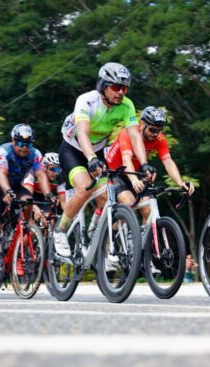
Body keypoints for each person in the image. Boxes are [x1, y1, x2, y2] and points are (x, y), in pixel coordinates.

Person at [55, 62, 156, 256]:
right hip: (73, 148)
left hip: (97, 151)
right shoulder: (86, 101)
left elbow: (135, 137)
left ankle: (96, 235)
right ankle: (60, 231)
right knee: (86, 187)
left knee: (107, 194)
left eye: (124, 88)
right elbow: (83, 133)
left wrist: (144, 164)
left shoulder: (126, 105)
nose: (120, 92)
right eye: (116, 87)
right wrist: (91, 158)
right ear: (103, 85)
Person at [0, 124, 51, 286]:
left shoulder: (35, 154)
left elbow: (41, 174)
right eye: (20, 143)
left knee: (28, 201)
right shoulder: (3, 151)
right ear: (13, 141)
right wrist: (6, 191)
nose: (24, 148)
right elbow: (1, 173)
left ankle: (24, 228)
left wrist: (49, 194)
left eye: (28, 144)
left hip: (16, 187)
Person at [106, 106, 194, 222]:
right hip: (116, 172)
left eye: (159, 130)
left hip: (136, 171)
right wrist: (134, 181)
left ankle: (140, 238)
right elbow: (126, 160)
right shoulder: (128, 133)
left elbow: (168, 161)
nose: (156, 134)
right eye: (152, 130)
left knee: (147, 209)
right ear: (142, 124)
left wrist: (180, 182)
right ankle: (110, 236)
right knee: (129, 204)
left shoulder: (159, 138)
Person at [23, 152, 67, 223]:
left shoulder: (60, 177)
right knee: (30, 224)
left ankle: (45, 233)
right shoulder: (33, 173)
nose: (56, 173)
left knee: (49, 221)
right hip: (28, 195)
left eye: (58, 169)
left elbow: (63, 202)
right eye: (53, 169)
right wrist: (35, 208)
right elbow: (26, 195)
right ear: (44, 168)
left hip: (43, 197)